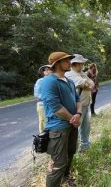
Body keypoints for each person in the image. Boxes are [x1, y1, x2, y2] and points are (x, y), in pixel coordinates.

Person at [40, 52, 81, 187]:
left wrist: (78, 114)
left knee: (70, 153)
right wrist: (72, 118)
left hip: (72, 125)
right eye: (66, 60)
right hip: (58, 127)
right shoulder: (48, 82)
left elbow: (77, 99)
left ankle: (65, 178)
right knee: (58, 162)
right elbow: (55, 108)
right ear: (57, 63)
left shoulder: (69, 81)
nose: (70, 62)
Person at [66, 54, 94, 152]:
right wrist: (87, 84)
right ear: (75, 64)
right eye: (81, 64)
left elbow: (91, 83)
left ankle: (85, 146)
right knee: (75, 128)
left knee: (86, 127)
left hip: (85, 104)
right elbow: (85, 84)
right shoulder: (70, 74)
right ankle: (75, 149)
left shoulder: (81, 73)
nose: (82, 66)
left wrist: (87, 83)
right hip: (77, 106)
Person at [34, 65, 52, 132]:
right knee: (42, 120)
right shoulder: (40, 81)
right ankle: (43, 137)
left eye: (49, 69)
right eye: (45, 70)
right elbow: (37, 95)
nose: (47, 71)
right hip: (42, 104)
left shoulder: (56, 80)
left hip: (53, 104)